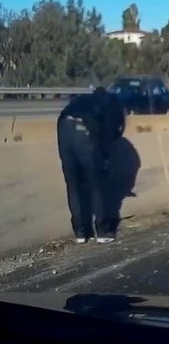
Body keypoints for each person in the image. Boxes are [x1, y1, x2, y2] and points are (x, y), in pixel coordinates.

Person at [56, 86, 126, 244]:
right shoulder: (108, 104)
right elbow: (107, 136)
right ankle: (102, 232)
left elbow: (63, 116)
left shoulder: (83, 99)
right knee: (97, 183)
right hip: (84, 132)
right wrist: (106, 159)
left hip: (63, 128)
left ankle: (80, 233)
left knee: (73, 185)